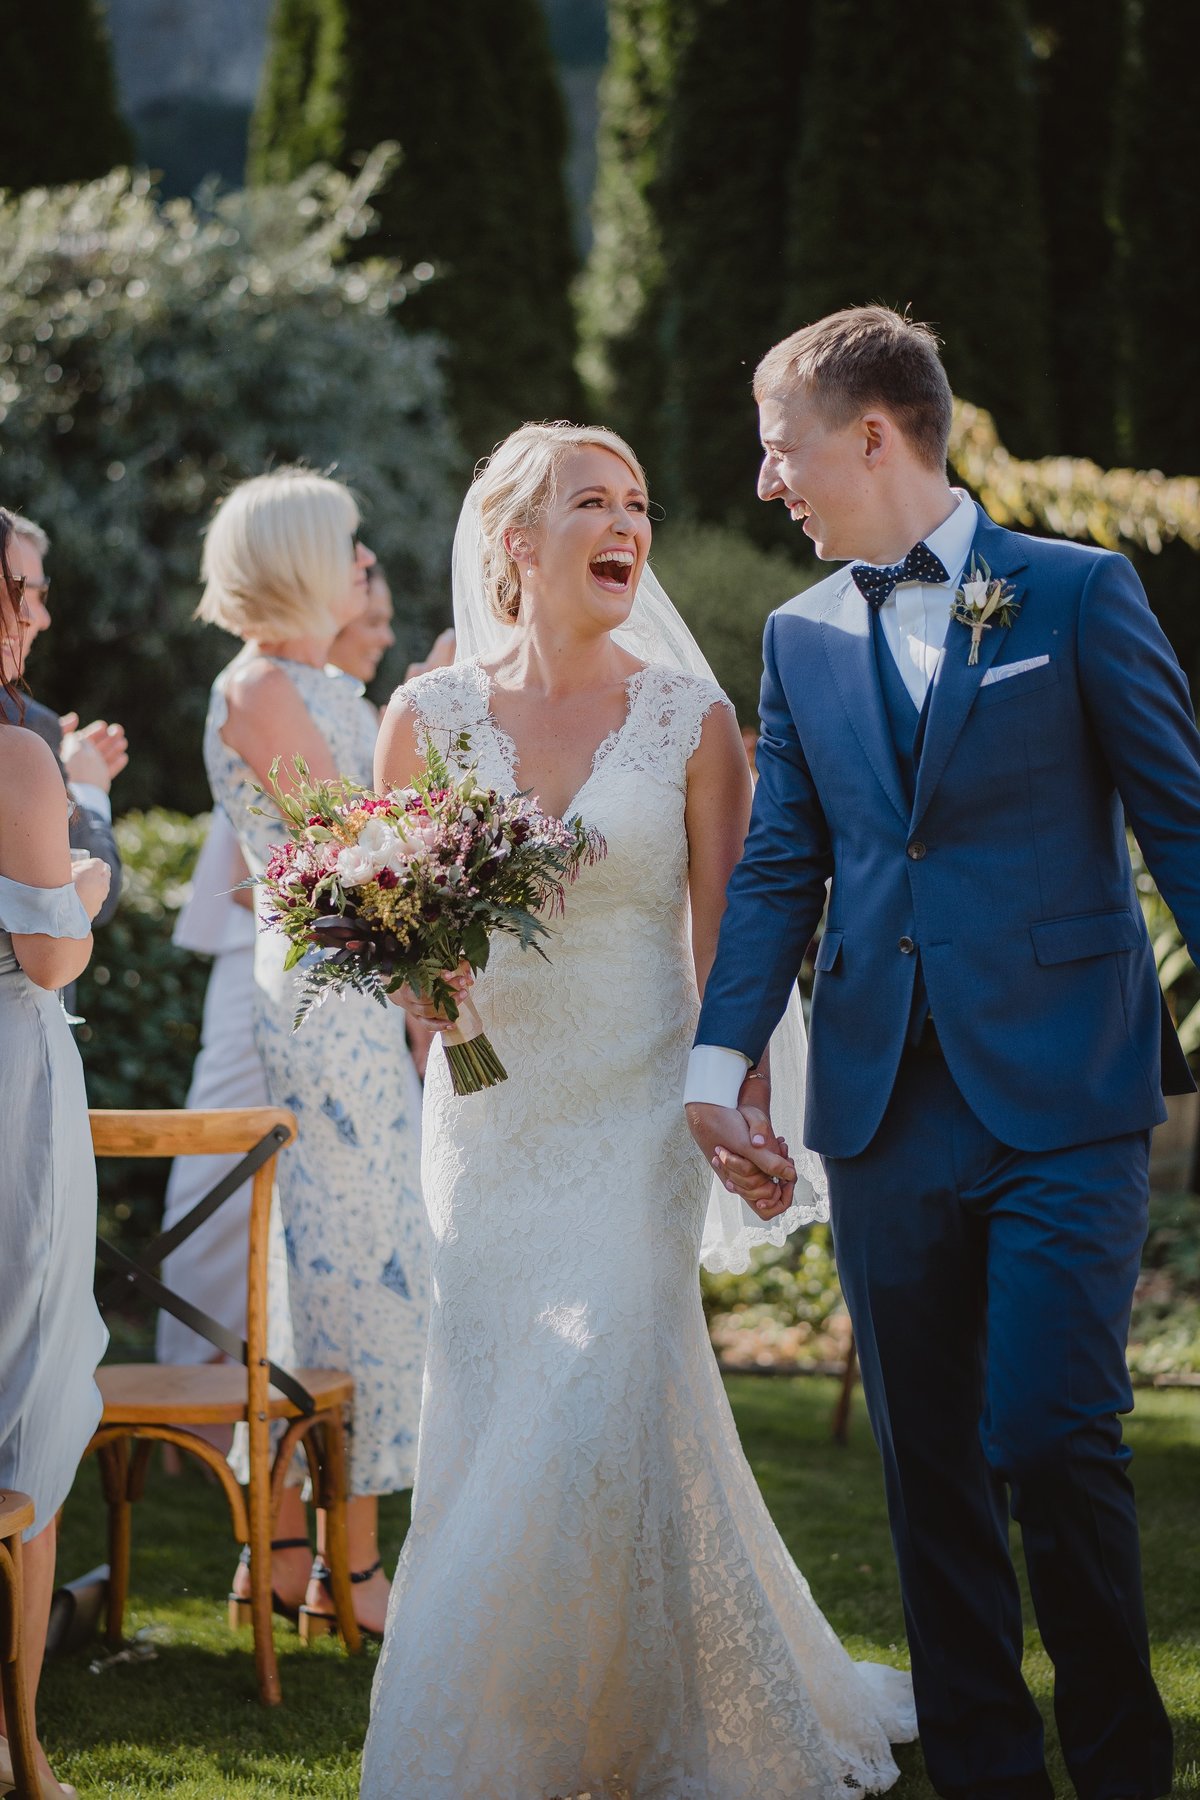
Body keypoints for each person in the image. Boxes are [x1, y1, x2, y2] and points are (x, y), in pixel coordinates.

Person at [362, 423, 916, 1799]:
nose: (628, 525)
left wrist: (738, 1112)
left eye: (638, 504)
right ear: (516, 542)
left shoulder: (691, 719)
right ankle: (561, 1722)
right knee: (505, 1405)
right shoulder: (425, 719)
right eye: (590, 503)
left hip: (634, 1116)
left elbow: (737, 947)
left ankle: (518, 1724)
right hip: (490, 1125)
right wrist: (429, 985)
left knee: (593, 1375)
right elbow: (392, 937)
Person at [688, 305, 1187, 1800]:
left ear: (872, 435)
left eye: (781, 449)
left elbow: (1183, 814)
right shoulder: (797, 635)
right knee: (927, 1472)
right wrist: (719, 1067)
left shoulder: (1082, 593)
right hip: (885, 1103)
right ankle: (983, 1770)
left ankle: (1119, 1762)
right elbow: (783, 865)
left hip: (1064, 1095)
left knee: (1051, 1434)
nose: (768, 482)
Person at [199, 468, 428, 1638]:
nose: (358, 566)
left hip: (347, 997)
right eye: (345, 546)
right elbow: (358, 843)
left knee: (342, 1263)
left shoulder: (313, 681)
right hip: (324, 1004)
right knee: (353, 1267)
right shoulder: (259, 689)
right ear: (296, 558)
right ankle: (344, 1563)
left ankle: (290, 1555)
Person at [0, 514, 111, 1799]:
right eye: (23, 593)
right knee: (25, 1401)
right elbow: (50, 956)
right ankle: (24, 1755)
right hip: (13, 1097)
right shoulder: (20, 759)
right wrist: (78, 885)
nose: (37, 616)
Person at [0, 510, 125, 931]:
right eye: (21, 590)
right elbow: (85, 908)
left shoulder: (36, 728)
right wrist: (87, 790)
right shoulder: (26, 734)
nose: (36, 617)